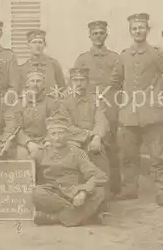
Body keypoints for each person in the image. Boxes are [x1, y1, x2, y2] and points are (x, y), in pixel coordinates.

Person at [110, 13, 163, 206]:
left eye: (141, 27)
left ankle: (161, 190)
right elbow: (115, 81)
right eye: (134, 28)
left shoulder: (156, 54)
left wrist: (160, 90)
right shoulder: (124, 55)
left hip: (152, 113)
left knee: (157, 156)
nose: (138, 31)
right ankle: (129, 189)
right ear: (130, 31)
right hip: (129, 114)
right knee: (128, 155)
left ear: (147, 30)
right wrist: (119, 101)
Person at [31, 111, 108, 227]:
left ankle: (54, 218)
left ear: (67, 134)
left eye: (61, 133)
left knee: (99, 191)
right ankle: (84, 215)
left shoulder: (77, 152)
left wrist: (83, 191)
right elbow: (25, 171)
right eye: (53, 134)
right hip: (55, 195)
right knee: (37, 193)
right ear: (48, 135)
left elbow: (100, 176)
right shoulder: (41, 153)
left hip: (75, 191)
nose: (57, 138)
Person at [74, 20, 121, 195]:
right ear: (90, 36)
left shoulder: (115, 58)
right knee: (91, 145)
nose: (98, 36)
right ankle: (92, 186)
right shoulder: (82, 59)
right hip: (90, 107)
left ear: (106, 35)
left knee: (112, 145)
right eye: (95, 33)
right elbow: (76, 84)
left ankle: (114, 188)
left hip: (111, 106)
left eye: (102, 33)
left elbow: (120, 82)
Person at [62, 67, 111, 197]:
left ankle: (102, 198)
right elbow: (66, 126)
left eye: (82, 80)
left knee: (98, 154)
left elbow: (101, 120)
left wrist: (97, 137)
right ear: (70, 82)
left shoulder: (95, 99)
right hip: (72, 141)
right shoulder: (64, 101)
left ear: (87, 82)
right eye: (75, 80)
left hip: (92, 140)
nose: (79, 83)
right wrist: (89, 135)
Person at [10, 66, 63, 162]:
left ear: (43, 84)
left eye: (38, 81)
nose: (35, 84)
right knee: (21, 158)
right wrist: (28, 143)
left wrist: (48, 140)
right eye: (32, 81)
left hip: (46, 141)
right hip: (25, 143)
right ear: (27, 84)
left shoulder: (51, 102)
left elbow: (55, 124)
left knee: (53, 157)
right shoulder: (19, 103)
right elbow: (16, 128)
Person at [18, 29, 66, 95]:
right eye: (34, 42)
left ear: (44, 45)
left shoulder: (53, 65)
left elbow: (63, 89)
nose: (37, 46)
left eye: (40, 42)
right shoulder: (22, 68)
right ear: (28, 45)